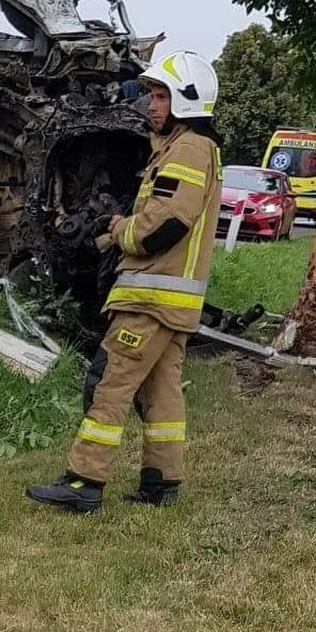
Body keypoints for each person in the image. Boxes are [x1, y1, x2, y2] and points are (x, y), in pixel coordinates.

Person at [26, 50, 223, 513]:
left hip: (151, 298)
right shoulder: (187, 148)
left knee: (108, 383)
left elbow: (165, 224)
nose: (151, 105)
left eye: (160, 96)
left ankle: (83, 482)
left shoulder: (189, 148)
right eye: (152, 95)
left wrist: (121, 230)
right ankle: (161, 483)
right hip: (171, 303)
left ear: (185, 102)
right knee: (161, 394)